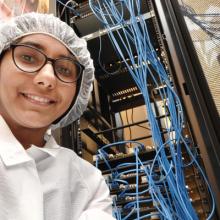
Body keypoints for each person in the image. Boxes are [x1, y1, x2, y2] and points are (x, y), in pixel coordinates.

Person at [0, 12, 115, 220]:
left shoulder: (88, 182)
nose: (47, 78)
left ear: (77, 94)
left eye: (65, 69)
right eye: (28, 57)